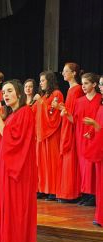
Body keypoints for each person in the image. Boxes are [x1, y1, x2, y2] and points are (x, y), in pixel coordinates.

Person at [0, 79, 37, 242]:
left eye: (9, 91)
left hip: (19, 173)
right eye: (4, 92)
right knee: (4, 211)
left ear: (19, 94)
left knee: (17, 211)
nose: (5, 95)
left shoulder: (25, 113)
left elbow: (11, 140)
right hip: (4, 171)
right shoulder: (9, 116)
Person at [55, 62, 84, 202]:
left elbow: (76, 114)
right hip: (67, 125)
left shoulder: (77, 89)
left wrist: (63, 111)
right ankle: (66, 192)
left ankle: (71, 193)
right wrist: (61, 108)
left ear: (74, 73)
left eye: (66, 71)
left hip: (72, 127)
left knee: (71, 158)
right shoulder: (71, 90)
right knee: (67, 158)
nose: (63, 73)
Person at [33, 71, 64, 200]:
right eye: (40, 81)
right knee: (41, 163)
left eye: (43, 80)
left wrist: (40, 101)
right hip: (40, 133)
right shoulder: (43, 95)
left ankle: (53, 189)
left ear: (49, 81)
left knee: (52, 163)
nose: (40, 83)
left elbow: (54, 114)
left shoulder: (56, 94)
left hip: (51, 133)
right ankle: (42, 188)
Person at [73, 72, 101, 206]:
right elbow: (75, 119)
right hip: (81, 137)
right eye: (82, 83)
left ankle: (94, 194)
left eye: (86, 83)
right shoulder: (79, 101)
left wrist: (93, 130)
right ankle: (86, 193)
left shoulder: (100, 99)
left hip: (95, 136)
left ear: (94, 84)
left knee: (93, 166)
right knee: (83, 166)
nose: (83, 86)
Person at [83, 75, 103, 225]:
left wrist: (96, 126)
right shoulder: (101, 105)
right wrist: (92, 131)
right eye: (101, 85)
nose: (101, 87)